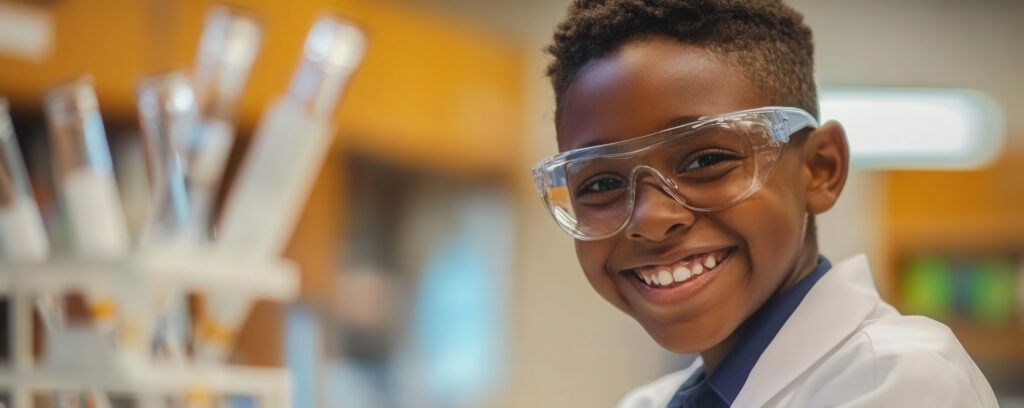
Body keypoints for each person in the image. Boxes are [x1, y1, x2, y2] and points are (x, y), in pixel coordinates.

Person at [531, 0, 999, 406]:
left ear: (820, 168)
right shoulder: (650, 402)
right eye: (599, 185)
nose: (651, 219)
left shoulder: (899, 384)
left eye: (707, 159)